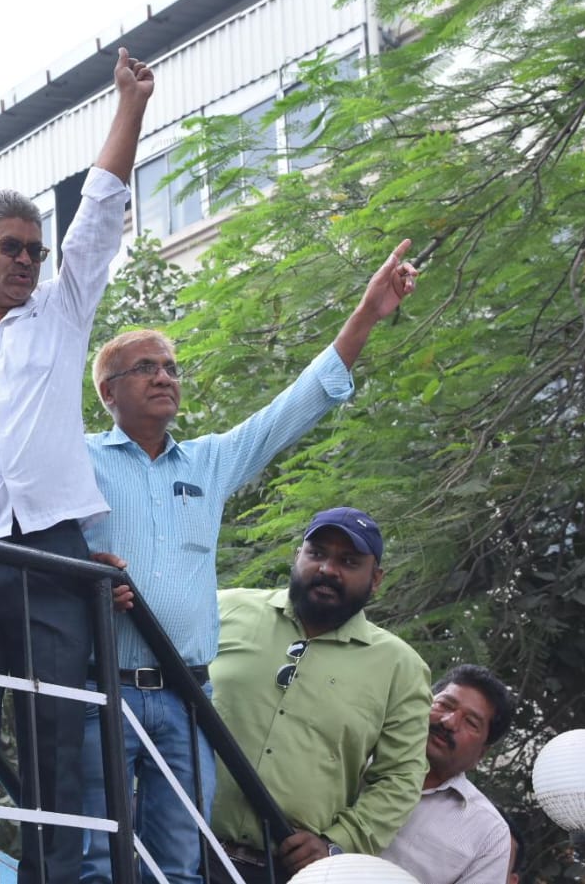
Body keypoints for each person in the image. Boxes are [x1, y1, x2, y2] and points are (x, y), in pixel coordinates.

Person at [79, 244, 418, 884]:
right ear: (107, 391)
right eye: (145, 367)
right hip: (102, 688)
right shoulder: (76, 459)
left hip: (186, 696)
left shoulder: (209, 461)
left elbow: (296, 406)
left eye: (171, 367)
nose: (164, 377)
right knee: (95, 861)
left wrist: (368, 314)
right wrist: (84, 569)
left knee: (179, 866)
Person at [0, 47, 155, 884]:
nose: (26, 262)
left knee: (57, 747)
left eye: (35, 251)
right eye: (10, 247)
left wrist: (130, 107)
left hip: (50, 551)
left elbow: (101, 213)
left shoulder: (61, 312)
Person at [208, 507, 432, 884]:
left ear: (376, 579)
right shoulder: (223, 609)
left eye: (349, 561)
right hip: (175, 848)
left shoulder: (401, 668)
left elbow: (400, 777)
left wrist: (337, 843)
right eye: (317, 553)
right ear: (298, 555)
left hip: (283, 873)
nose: (328, 569)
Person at [382, 664, 516, 884]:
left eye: (470, 722)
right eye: (444, 705)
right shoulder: (360, 756)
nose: (449, 722)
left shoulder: (488, 833)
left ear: (481, 754)